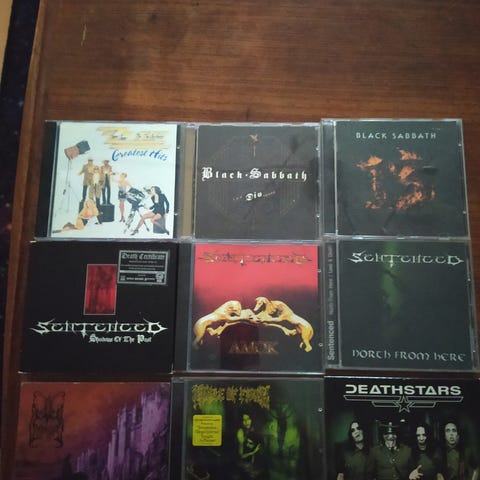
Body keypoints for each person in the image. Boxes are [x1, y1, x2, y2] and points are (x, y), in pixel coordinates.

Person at [234, 413, 263, 479]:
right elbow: (241, 455)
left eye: (248, 419)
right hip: (242, 464)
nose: (246, 422)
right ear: (241, 422)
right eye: (244, 420)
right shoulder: (240, 433)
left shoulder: (253, 430)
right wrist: (253, 452)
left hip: (252, 464)